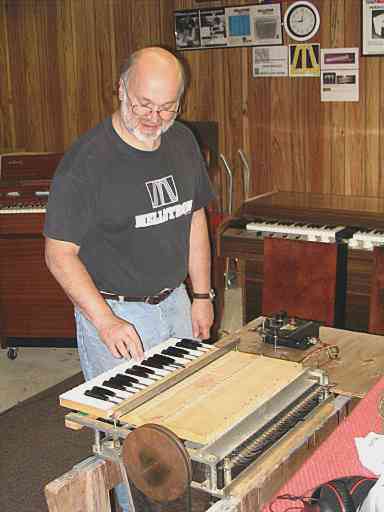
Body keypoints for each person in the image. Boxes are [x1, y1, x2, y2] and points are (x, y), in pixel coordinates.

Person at [44, 46, 216, 511]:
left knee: (181, 411)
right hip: (116, 310)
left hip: (175, 301)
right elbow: (59, 255)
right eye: (143, 104)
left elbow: (194, 218)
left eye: (167, 107)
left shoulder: (181, 141)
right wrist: (105, 322)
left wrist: (201, 295)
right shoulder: (87, 162)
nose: (153, 118)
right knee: (124, 435)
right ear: (120, 89)